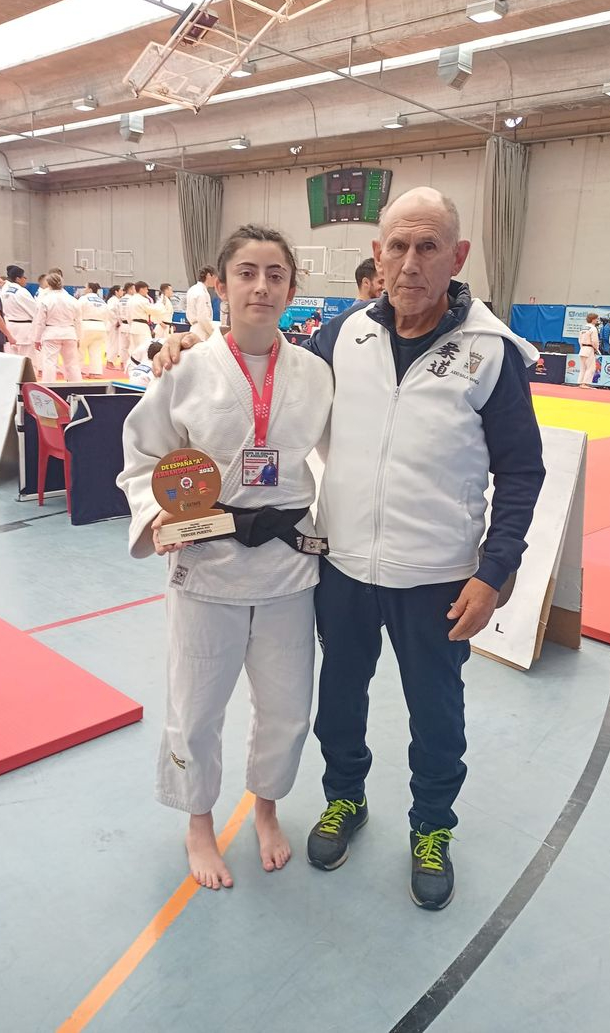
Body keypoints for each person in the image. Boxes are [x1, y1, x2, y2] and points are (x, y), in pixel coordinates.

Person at [153, 187, 545, 911]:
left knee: (437, 716)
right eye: (398, 246)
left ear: (458, 256)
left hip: (438, 577)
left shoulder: (490, 353)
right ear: (377, 255)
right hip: (340, 567)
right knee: (336, 703)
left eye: (428, 247)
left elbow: (522, 471)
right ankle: (344, 799)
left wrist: (495, 570)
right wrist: (186, 348)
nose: (411, 263)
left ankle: (432, 827)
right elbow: (265, 374)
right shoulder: (341, 338)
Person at [117, 224, 333, 891]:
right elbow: (142, 453)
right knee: (196, 706)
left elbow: (346, 459)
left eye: (275, 274)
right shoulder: (185, 368)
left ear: (292, 289)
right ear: (220, 284)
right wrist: (156, 515)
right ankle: (199, 821)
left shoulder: (317, 374)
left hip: (289, 568)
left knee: (287, 706)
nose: (261, 286)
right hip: (207, 563)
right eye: (246, 272)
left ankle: (265, 808)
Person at [32, 271, 82, 382]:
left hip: (51, 333)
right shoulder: (73, 300)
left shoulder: (45, 300)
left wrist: (37, 339)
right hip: (69, 333)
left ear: (48, 284)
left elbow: (40, 322)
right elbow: (78, 321)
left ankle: (49, 387)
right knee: (72, 363)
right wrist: (78, 337)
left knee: (49, 362)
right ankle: (77, 387)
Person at [1, 265, 37, 365]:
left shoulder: (5, 290)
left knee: (13, 361)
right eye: (24, 277)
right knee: (28, 361)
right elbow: (35, 311)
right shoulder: (21, 292)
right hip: (24, 330)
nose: (26, 279)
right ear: (17, 279)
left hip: (10, 327)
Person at [127, 281, 164, 366]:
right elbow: (153, 310)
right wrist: (161, 304)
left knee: (134, 349)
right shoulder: (142, 300)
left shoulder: (130, 300)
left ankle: (133, 366)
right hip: (142, 327)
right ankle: (144, 366)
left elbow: (128, 316)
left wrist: (131, 325)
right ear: (141, 289)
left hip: (133, 326)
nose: (147, 291)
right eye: (146, 289)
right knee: (145, 347)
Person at [79, 282, 109, 378]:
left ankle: (78, 370)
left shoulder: (83, 299)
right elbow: (107, 316)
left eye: (85, 287)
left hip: (86, 325)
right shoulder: (102, 301)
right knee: (96, 351)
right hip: (100, 326)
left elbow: (77, 312)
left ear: (90, 289)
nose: (84, 289)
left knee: (80, 349)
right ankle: (95, 372)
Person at [185, 266, 217, 340]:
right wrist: (212, 333)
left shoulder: (192, 289)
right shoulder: (201, 292)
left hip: (194, 328)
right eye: (215, 277)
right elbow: (203, 317)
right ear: (208, 275)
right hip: (202, 331)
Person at [104, 285, 124, 370]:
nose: (122, 292)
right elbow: (110, 311)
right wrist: (116, 321)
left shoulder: (116, 300)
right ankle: (110, 362)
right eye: (121, 290)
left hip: (114, 324)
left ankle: (110, 362)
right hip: (113, 325)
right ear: (116, 292)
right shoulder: (113, 300)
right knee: (113, 344)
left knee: (115, 344)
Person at [577, 314, 600, 387]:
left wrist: (582, 347)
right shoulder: (593, 328)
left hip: (583, 348)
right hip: (589, 348)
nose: (597, 320)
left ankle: (581, 382)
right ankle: (585, 383)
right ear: (593, 319)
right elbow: (594, 341)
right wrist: (596, 348)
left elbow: (579, 340)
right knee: (591, 367)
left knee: (583, 367)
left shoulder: (583, 328)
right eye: (596, 319)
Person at [117, 282, 135, 368]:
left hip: (123, 325)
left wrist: (120, 323)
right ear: (130, 289)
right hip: (131, 325)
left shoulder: (121, 300)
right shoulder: (133, 300)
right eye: (134, 289)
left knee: (123, 346)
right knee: (132, 346)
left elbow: (118, 313)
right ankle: (131, 364)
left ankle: (122, 363)